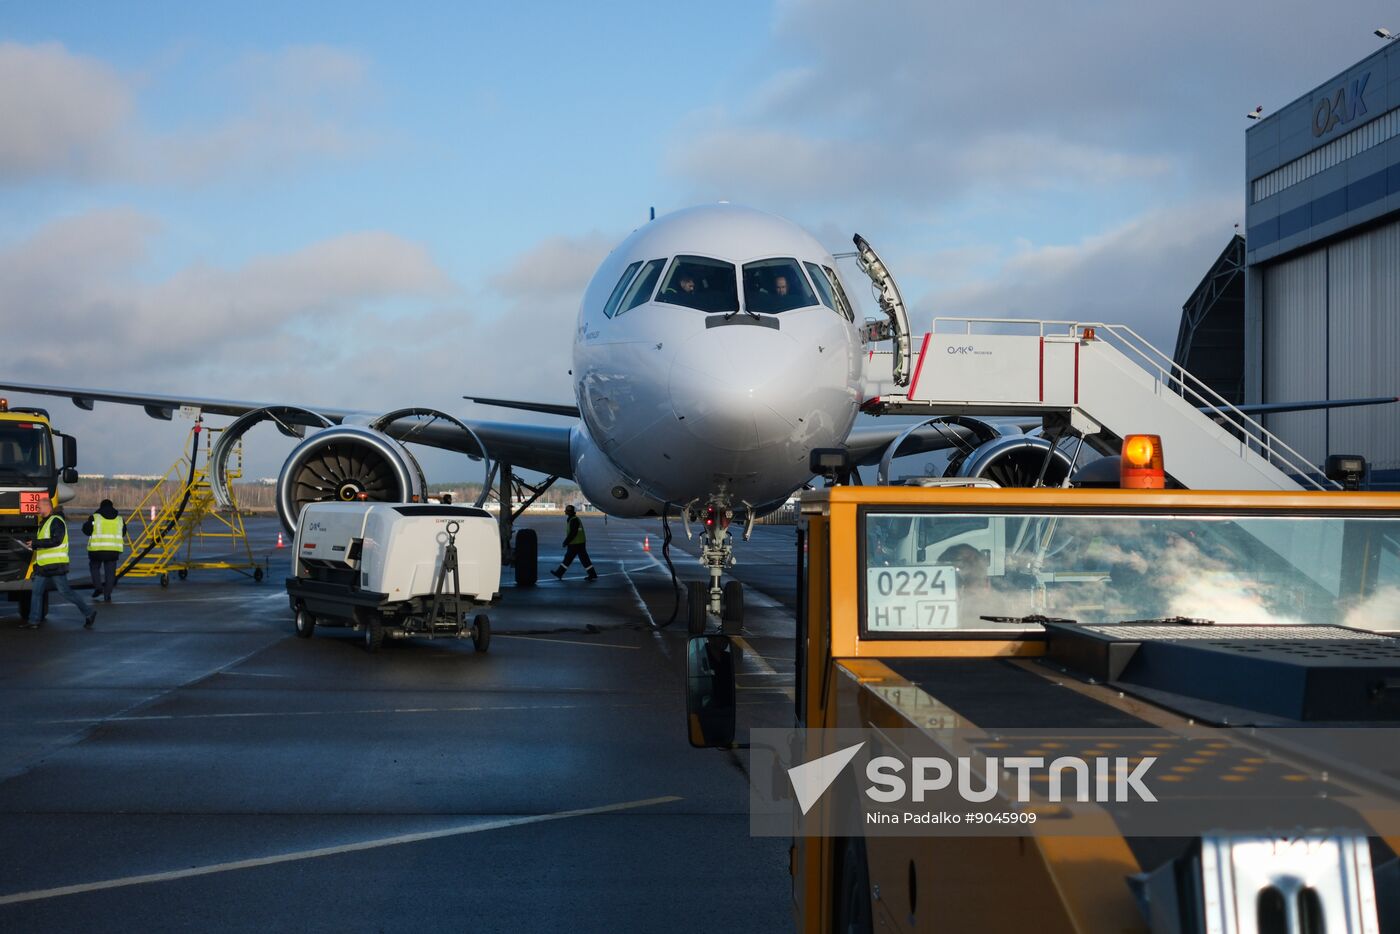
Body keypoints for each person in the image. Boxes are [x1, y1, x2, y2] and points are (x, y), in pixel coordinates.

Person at [23, 494, 96, 629]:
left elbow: (56, 540)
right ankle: (33, 621)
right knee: (36, 593)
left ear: (47, 507)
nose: (37, 510)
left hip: (56, 565)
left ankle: (89, 612)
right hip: (43, 566)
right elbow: (46, 541)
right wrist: (33, 543)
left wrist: (36, 543)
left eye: (39, 507)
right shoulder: (45, 522)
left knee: (65, 592)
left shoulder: (56, 521)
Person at [83, 498, 126, 603]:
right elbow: (123, 532)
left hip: (97, 550)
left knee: (94, 568)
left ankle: (98, 587)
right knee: (110, 573)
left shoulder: (95, 517)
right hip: (113, 550)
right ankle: (107, 595)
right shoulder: (119, 519)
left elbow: (86, 530)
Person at [551, 504, 597, 581]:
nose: (565, 512)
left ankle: (559, 573)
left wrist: (566, 542)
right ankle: (592, 574)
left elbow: (573, 533)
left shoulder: (573, 520)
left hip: (576, 543)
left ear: (570, 512)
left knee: (568, 558)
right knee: (583, 559)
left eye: (567, 511)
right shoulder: (573, 519)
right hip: (579, 542)